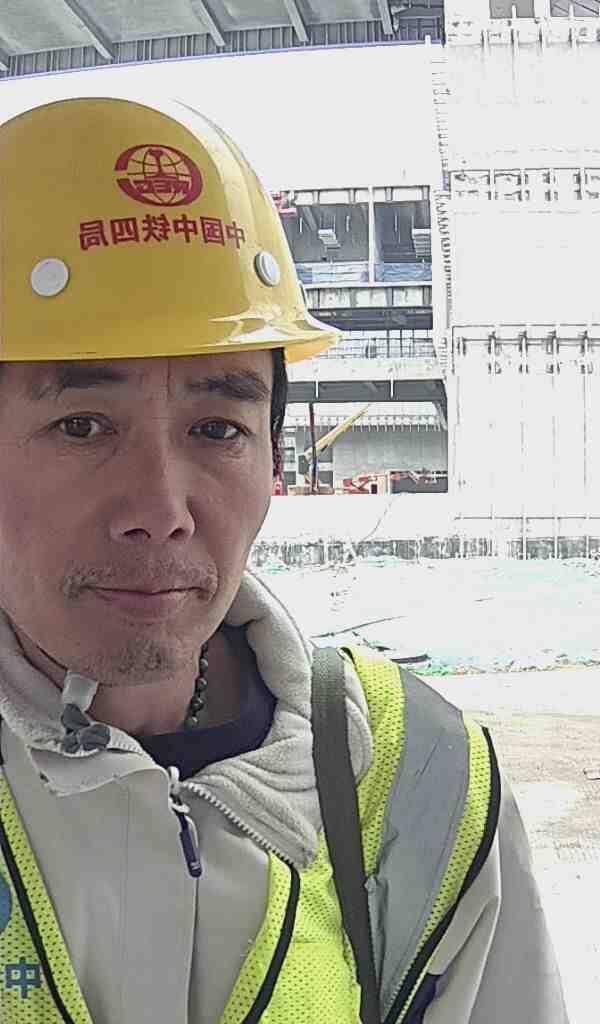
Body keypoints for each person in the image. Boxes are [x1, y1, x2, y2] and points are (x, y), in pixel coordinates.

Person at [0, 96, 567, 1024]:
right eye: (82, 426)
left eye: (217, 428)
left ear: (272, 457)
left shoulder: (421, 777)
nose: (162, 513)